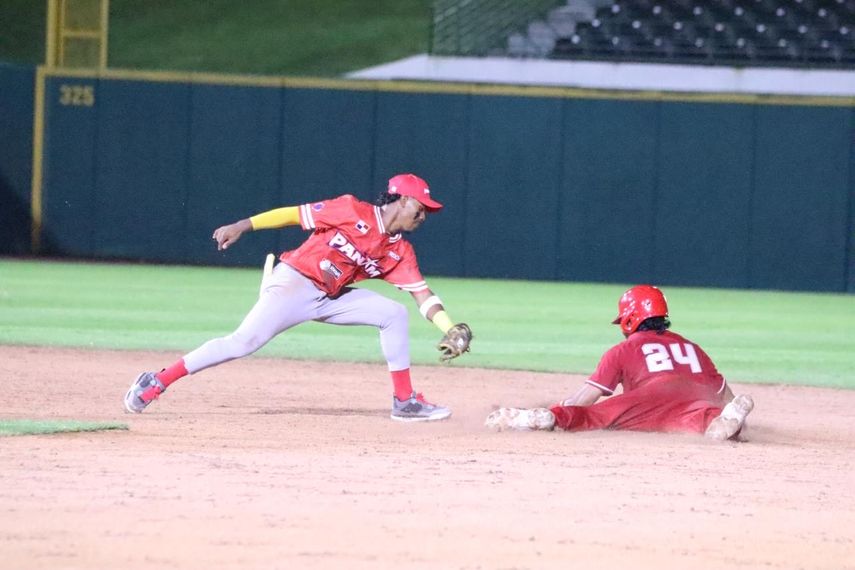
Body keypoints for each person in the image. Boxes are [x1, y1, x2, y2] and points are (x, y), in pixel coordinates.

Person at [124, 173, 473, 422]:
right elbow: (293, 215)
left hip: (330, 296)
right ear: (403, 199)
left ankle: (404, 401)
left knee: (394, 313)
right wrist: (242, 226)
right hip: (295, 282)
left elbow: (423, 296)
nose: (424, 215)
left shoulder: (399, 251)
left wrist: (449, 326)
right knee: (242, 342)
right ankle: (157, 380)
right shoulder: (352, 210)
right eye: (421, 206)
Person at [485, 284, 753, 441]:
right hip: (691, 400)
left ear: (629, 319)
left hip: (647, 399)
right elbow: (725, 396)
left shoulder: (625, 349)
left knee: (594, 416)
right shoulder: (692, 347)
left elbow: (585, 399)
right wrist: (733, 417)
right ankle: (721, 424)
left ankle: (538, 417)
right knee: (703, 415)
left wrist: (558, 408)